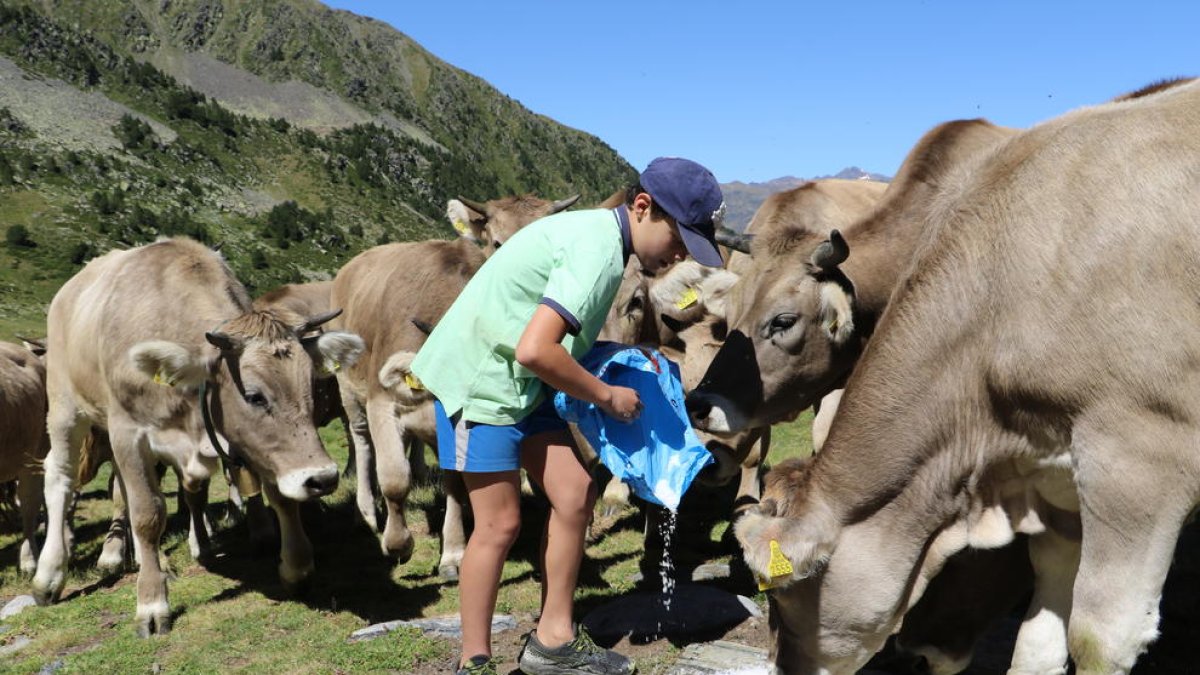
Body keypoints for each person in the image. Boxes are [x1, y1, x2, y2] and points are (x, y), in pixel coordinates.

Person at [410, 157, 726, 675]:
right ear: (642, 207)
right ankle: (475, 661)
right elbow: (536, 349)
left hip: (522, 384)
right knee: (498, 523)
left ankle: (552, 642)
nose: (678, 254)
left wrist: (611, 361)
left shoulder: (601, 238)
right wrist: (606, 396)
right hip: (481, 386)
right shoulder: (598, 253)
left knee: (575, 494)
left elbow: (547, 340)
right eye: (678, 238)